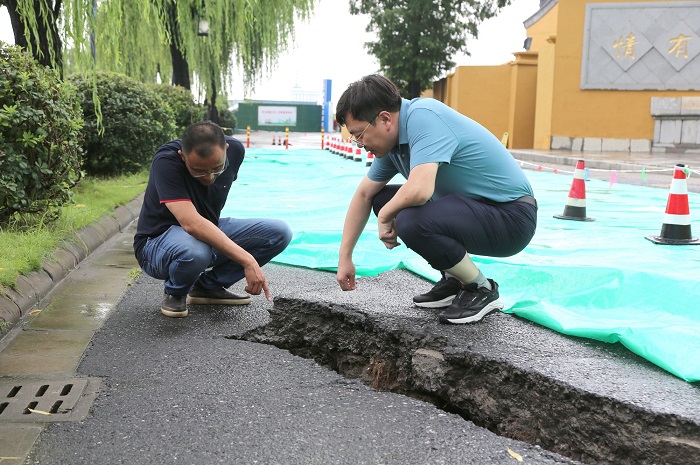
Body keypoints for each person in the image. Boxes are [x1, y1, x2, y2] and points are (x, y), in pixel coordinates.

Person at [334, 75, 537, 325]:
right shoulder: (392, 144)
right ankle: (455, 279)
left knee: (409, 218)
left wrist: (385, 216)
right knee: (381, 198)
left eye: (359, 135)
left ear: (385, 119)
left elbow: (420, 191)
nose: (359, 145)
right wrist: (345, 257)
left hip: (511, 218)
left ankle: (480, 288)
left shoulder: (424, 117)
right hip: (474, 212)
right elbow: (364, 194)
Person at [133, 121, 292, 318]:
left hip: (202, 235)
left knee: (279, 232)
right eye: (198, 171)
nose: (208, 177)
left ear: (226, 150)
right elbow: (191, 224)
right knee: (196, 251)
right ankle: (176, 292)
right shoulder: (166, 161)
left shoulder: (235, 151)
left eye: (217, 168)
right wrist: (248, 261)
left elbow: (204, 221)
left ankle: (208, 287)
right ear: (182, 157)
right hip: (157, 245)